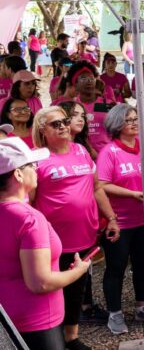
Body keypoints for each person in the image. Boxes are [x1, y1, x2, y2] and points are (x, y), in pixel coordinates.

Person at [32, 106, 120, 350]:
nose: (62, 126)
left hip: (85, 236)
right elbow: (28, 201)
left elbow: (96, 189)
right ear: (42, 129)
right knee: (53, 292)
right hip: (52, 241)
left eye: (65, 121)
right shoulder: (36, 158)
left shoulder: (81, 150)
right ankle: (53, 337)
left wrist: (111, 218)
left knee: (77, 289)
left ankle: (71, 337)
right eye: (55, 124)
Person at [0, 137, 92, 350]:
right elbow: (40, 283)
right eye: (32, 165)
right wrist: (79, 271)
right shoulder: (29, 219)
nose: (37, 170)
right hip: (37, 320)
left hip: (7, 319)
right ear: (18, 174)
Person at [97, 104, 144, 335]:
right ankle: (115, 313)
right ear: (116, 125)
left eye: (136, 119)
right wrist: (134, 194)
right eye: (129, 120)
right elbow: (102, 185)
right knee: (116, 267)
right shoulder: (109, 152)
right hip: (119, 221)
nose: (135, 123)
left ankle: (143, 306)